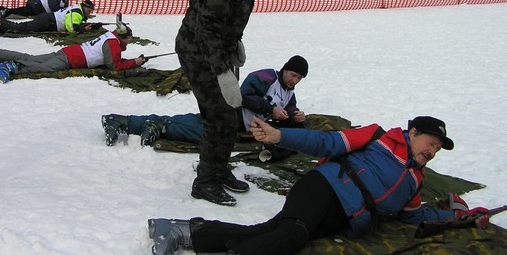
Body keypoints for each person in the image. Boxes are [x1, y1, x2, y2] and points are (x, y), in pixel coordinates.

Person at [147, 116, 491, 255]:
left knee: (268, 232)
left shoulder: (415, 182)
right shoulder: (378, 137)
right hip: (324, 187)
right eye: (429, 142)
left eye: (436, 149)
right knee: (293, 233)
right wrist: (280, 135)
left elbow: (415, 218)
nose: (431, 151)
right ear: (412, 133)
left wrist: (462, 216)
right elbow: (328, 143)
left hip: (345, 217)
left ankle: (182, 231)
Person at [175, 0, 279, 206]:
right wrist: (222, 71)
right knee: (218, 116)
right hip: (198, 51)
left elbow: (228, 18)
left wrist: (234, 43)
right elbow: (205, 28)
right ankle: (206, 181)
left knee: (230, 115)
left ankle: (219, 169)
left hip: (218, 47)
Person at [102, 55, 309, 152]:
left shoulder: (289, 93)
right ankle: (158, 126)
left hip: (239, 125)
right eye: (293, 75)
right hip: (230, 112)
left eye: (299, 78)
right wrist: (270, 109)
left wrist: (296, 117)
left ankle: (127, 122)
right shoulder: (265, 77)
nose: (294, 80)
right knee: (204, 134)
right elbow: (243, 96)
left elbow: (289, 114)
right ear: (284, 69)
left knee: (194, 124)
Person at [0, 20, 147, 83]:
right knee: (43, 68)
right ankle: (9, 67)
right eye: (129, 38)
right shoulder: (113, 44)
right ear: (124, 37)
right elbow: (115, 66)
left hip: (71, 51)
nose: (130, 40)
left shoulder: (111, 36)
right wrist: (135, 62)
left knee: (33, 58)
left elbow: (113, 55)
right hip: (72, 59)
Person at [0, 0, 99, 37]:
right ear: (85, 7)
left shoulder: (77, 9)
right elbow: (71, 27)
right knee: (22, 28)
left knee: (23, 27)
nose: (90, 13)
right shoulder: (77, 12)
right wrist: (82, 29)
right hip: (47, 20)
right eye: (89, 10)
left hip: (47, 19)